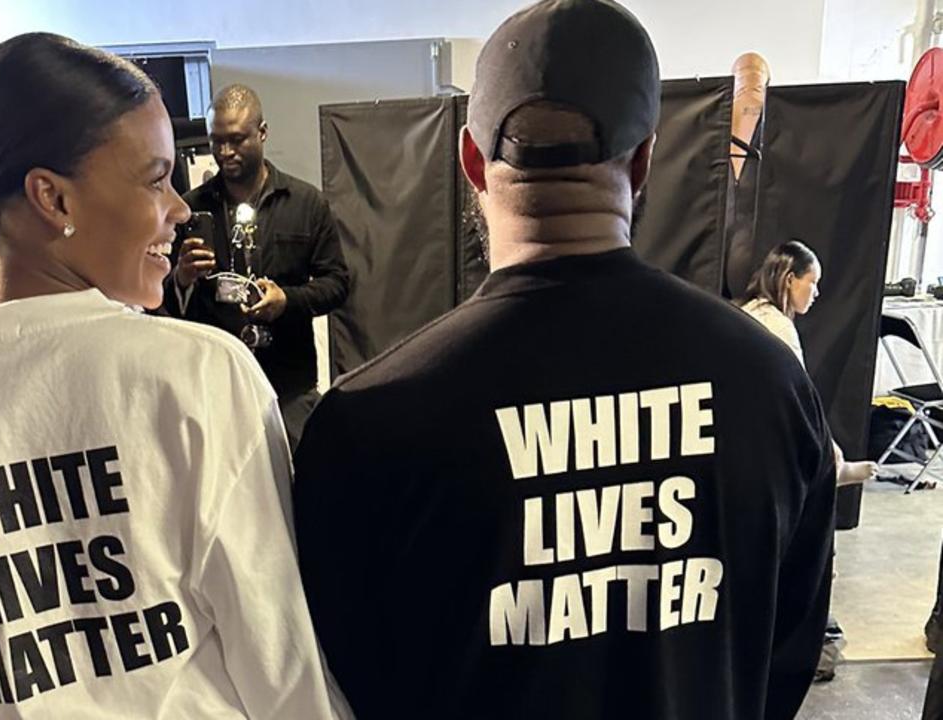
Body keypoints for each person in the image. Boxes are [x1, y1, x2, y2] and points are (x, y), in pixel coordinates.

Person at [293, 2, 835, 719]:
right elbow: (788, 646)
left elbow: (346, 675)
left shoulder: (366, 421)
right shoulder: (768, 383)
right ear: (643, 160)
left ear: (469, 161)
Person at [0, 33, 343, 718]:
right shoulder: (199, 374)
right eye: (155, 179)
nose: (181, 207)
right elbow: (279, 659)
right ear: (53, 198)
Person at [166, 84, 349, 448]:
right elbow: (160, 301)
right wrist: (182, 279)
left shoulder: (306, 203)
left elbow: (337, 284)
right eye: (216, 141)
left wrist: (288, 301)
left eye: (236, 139)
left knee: (303, 490)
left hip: (289, 386)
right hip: (215, 387)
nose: (224, 152)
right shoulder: (189, 209)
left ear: (262, 132)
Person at [741, 240, 878, 487]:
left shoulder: (751, 310)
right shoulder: (779, 327)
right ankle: (832, 467)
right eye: (812, 282)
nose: (816, 293)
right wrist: (831, 450)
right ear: (790, 280)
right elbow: (801, 396)